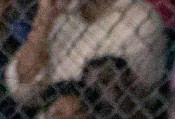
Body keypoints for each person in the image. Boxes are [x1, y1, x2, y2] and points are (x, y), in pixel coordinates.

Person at [4, 0, 165, 109]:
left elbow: (111, 102)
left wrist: (53, 90)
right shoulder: (60, 16)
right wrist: (45, 17)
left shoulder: (140, 16)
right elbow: (21, 88)